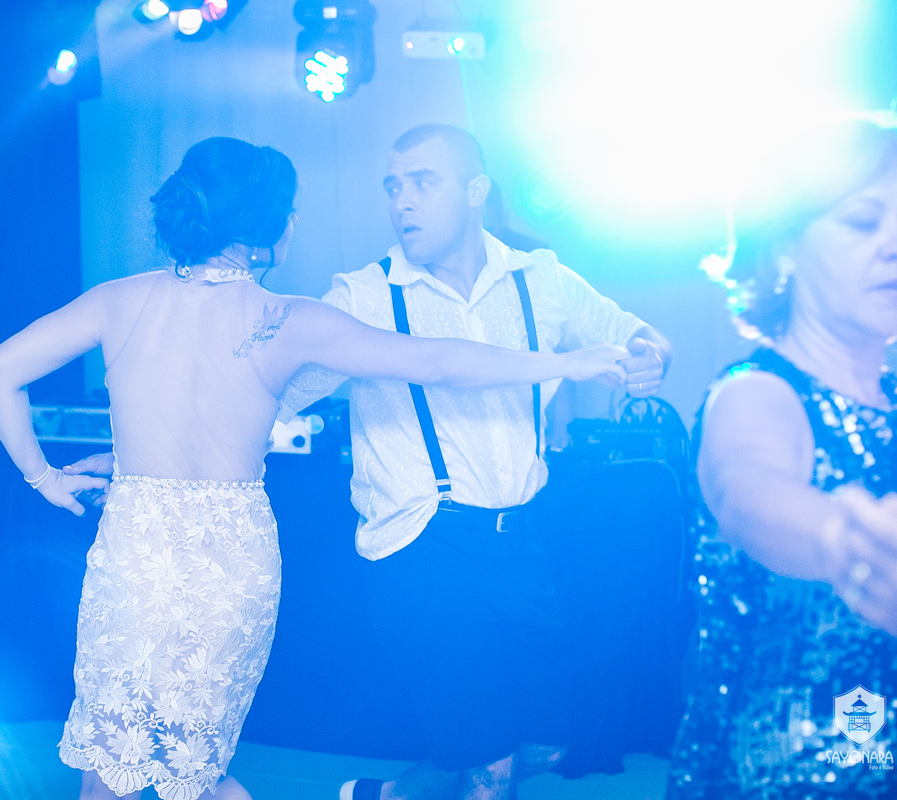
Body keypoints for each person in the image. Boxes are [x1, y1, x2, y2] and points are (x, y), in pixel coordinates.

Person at [0, 136, 633, 800]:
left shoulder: (118, 300)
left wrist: (45, 478)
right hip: (232, 556)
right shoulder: (288, 320)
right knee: (194, 768)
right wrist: (566, 363)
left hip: (136, 545)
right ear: (272, 228)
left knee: (114, 766)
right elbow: (438, 362)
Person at [269, 123, 672, 800]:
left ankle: (390, 795)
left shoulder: (541, 279)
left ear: (475, 190)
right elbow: (274, 392)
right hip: (419, 543)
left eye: (423, 183)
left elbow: (636, 333)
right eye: (393, 186)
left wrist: (650, 357)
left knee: (545, 743)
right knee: (492, 763)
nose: (402, 201)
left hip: (518, 537)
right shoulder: (364, 296)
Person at [667, 117, 897, 799]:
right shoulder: (755, 392)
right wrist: (860, 545)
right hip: (767, 780)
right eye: (864, 221)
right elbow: (748, 495)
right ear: (785, 249)